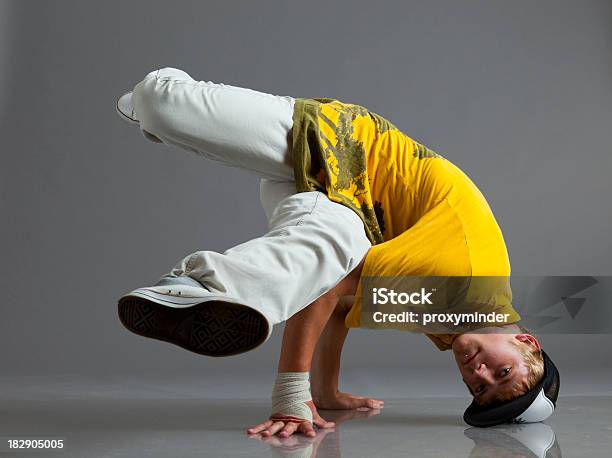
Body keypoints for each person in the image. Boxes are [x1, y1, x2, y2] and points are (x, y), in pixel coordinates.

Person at [115, 67, 559, 438]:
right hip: (344, 146)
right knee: (159, 104)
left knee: (328, 250)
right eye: (502, 374)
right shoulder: (460, 280)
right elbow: (329, 291)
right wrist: (292, 394)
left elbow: (341, 303)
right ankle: (152, 105)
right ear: (526, 341)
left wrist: (324, 392)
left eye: (478, 391)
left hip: (344, 209)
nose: (478, 376)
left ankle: (193, 286)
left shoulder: (455, 321)